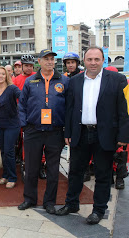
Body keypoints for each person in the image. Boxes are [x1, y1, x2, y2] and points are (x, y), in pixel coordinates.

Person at [56, 46, 129, 224]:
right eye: (90, 59)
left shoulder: (118, 80)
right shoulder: (75, 81)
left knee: (103, 174)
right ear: (85, 61)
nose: (93, 63)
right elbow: (70, 109)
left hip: (105, 135)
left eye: (97, 59)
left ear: (103, 60)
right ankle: (72, 204)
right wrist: (68, 131)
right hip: (80, 133)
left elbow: (124, 111)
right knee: (75, 172)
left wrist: (123, 136)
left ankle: (99, 210)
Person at [17, 49, 69, 214]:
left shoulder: (64, 81)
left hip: (55, 131)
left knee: (53, 169)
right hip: (34, 130)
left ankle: (49, 202)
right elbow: (22, 106)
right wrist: (25, 126)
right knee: (31, 167)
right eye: (46, 59)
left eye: (52, 59)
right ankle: (29, 199)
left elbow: (70, 107)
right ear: (39, 61)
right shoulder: (30, 81)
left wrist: (67, 129)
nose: (49, 62)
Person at [0, 66, 21, 189]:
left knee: (9, 151)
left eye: (3, 74)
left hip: (12, 125)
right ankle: (5, 175)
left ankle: (12, 177)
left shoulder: (12, 88)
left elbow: (22, 96)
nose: (1, 76)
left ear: (7, 76)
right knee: (3, 151)